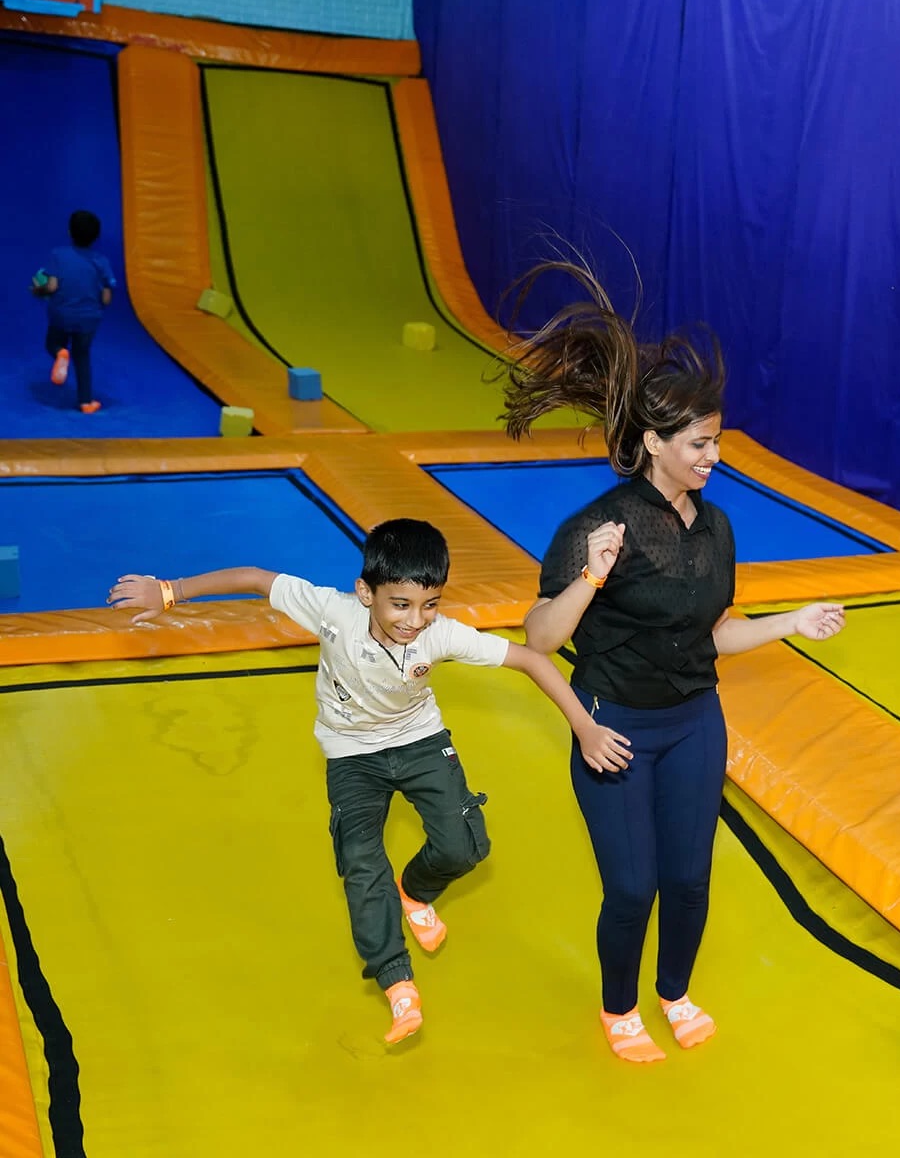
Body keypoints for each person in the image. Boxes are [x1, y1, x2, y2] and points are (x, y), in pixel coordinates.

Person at [501, 259, 846, 1063]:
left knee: (689, 879)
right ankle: (620, 1008)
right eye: (698, 443)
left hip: (695, 723)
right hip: (614, 728)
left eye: (717, 440)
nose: (712, 456)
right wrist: (591, 576)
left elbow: (713, 633)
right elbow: (542, 637)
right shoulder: (601, 524)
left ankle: (675, 991)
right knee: (632, 886)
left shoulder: (716, 529)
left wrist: (792, 621)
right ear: (653, 442)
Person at [106, 518, 627, 1045]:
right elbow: (253, 577)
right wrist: (169, 592)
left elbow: (529, 659)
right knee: (360, 860)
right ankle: (396, 979)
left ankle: (416, 891)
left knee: (466, 846)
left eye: (430, 605)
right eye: (400, 604)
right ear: (366, 592)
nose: (415, 620)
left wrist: (584, 728)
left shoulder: (440, 634)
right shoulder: (333, 612)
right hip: (350, 753)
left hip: (419, 740)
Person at [31, 209, 117, 414]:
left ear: (70, 231)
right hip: (89, 318)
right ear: (96, 236)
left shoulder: (58, 255)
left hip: (62, 313)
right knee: (82, 355)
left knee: (52, 343)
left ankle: (60, 353)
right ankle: (86, 402)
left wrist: (37, 290)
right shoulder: (102, 262)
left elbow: (51, 287)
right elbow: (106, 298)